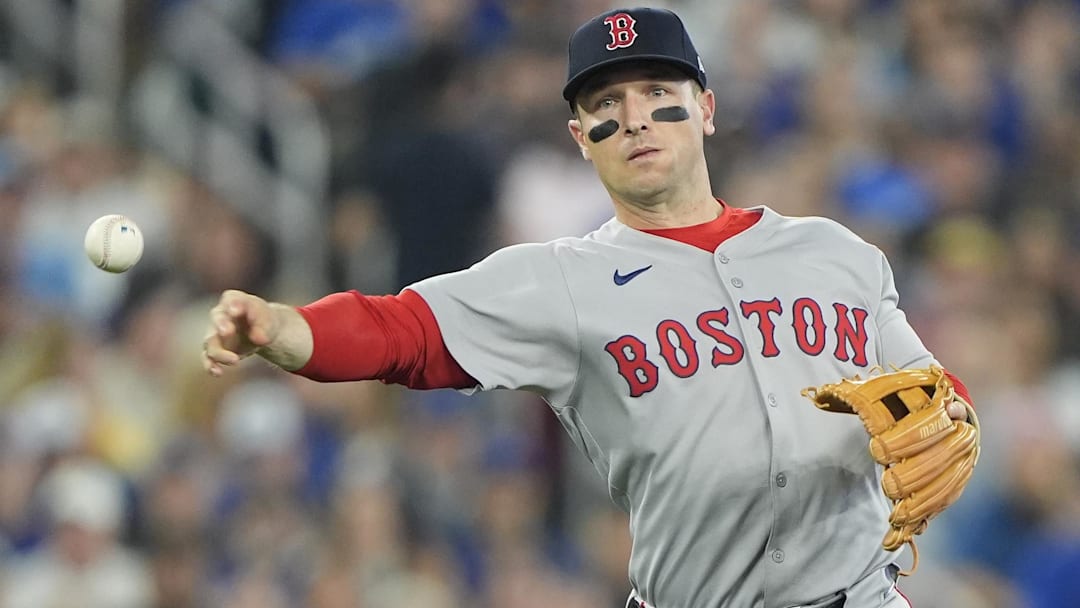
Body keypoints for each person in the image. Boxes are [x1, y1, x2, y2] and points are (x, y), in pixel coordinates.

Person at [203, 7, 976, 607]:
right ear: (581, 137)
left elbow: (938, 397)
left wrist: (950, 419)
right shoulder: (563, 282)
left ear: (705, 107)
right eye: (607, 102)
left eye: (656, 93)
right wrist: (284, 329)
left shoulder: (834, 254)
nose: (635, 117)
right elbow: (406, 331)